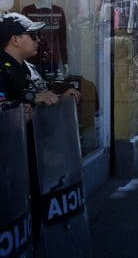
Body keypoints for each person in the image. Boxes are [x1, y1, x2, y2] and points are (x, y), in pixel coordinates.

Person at [0, 12, 80, 247]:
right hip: (13, 166)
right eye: (32, 35)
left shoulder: (29, 67)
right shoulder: (2, 71)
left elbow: (41, 96)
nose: (37, 40)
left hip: (38, 159)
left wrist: (60, 96)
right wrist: (26, 106)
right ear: (15, 39)